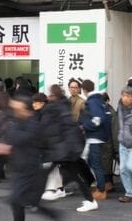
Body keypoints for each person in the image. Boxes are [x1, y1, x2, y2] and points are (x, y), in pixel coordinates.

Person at [0, 96, 62, 221]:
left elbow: (22, 137)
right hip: (18, 167)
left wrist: (9, 142)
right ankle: (51, 214)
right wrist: (4, 145)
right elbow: (8, 136)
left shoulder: (34, 123)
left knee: (16, 200)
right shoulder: (16, 121)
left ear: (26, 110)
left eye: (18, 109)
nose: (15, 111)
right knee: (29, 202)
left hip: (30, 168)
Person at [39, 85, 97, 213]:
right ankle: (87, 199)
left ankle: (90, 200)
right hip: (65, 148)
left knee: (70, 174)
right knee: (68, 174)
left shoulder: (55, 108)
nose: (49, 96)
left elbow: (55, 130)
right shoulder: (63, 106)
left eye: (51, 94)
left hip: (63, 149)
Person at [80, 79, 110, 201]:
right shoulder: (98, 100)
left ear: (84, 90)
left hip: (94, 137)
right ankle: (99, 186)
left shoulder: (93, 102)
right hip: (97, 137)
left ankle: (101, 190)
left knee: (95, 163)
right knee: (93, 162)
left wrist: (85, 126)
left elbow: (98, 118)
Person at [102, 92, 118, 193]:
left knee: (106, 165)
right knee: (105, 164)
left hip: (108, 143)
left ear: (107, 100)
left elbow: (115, 131)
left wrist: (115, 148)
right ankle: (108, 184)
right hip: (105, 142)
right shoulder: (107, 111)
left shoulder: (111, 113)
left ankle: (108, 185)